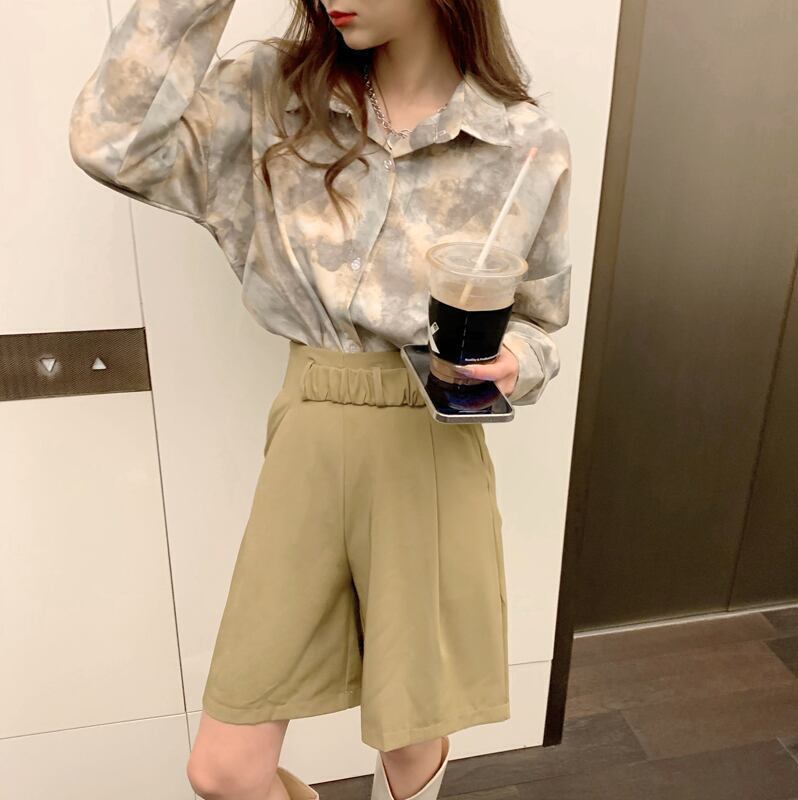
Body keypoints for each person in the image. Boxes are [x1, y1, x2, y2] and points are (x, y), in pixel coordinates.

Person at [69, 0, 572, 798]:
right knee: (225, 769)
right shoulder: (273, 92)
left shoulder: (523, 144)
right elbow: (114, 142)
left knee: (410, 737)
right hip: (309, 431)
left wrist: (516, 361)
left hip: (429, 446)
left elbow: (540, 322)